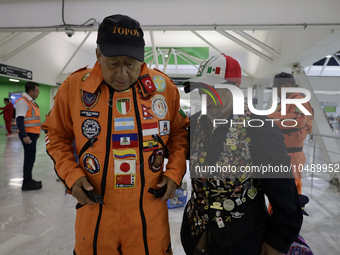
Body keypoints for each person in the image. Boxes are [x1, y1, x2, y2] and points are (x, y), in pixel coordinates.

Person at [42, 14, 189, 255]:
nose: (122, 74)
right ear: (98, 54)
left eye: (130, 64)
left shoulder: (164, 89)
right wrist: (71, 175)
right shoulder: (74, 87)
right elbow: (55, 135)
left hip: (149, 213)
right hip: (95, 210)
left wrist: (174, 174)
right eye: (113, 63)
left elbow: (179, 133)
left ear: (142, 58)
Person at [180, 54, 302, 255]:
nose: (205, 98)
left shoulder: (259, 128)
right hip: (196, 235)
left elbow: (284, 192)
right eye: (201, 91)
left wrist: (278, 240)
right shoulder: (195, 124)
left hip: (241, 240)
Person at [267, 72, 313, 194]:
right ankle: (275, 213)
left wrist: (268, 116)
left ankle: (289, 213)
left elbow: (297, 121)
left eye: (276, 88)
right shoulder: (284, 103)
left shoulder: (300, 101)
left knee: (289, 191)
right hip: (282, 154)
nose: (275, 92)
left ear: (286, 85)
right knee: (279, 192)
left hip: (292, 156)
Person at [15, 82, 42, 191]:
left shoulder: (31, 102)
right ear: (31, 91)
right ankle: (26, 183)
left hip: (32, 134)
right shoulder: (23, 102)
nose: (38, 92)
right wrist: (24, 135)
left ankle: (29, 179)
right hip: (28, 135)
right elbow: (19, 119)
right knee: (29, 158)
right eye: (37, 90)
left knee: (31, 157)